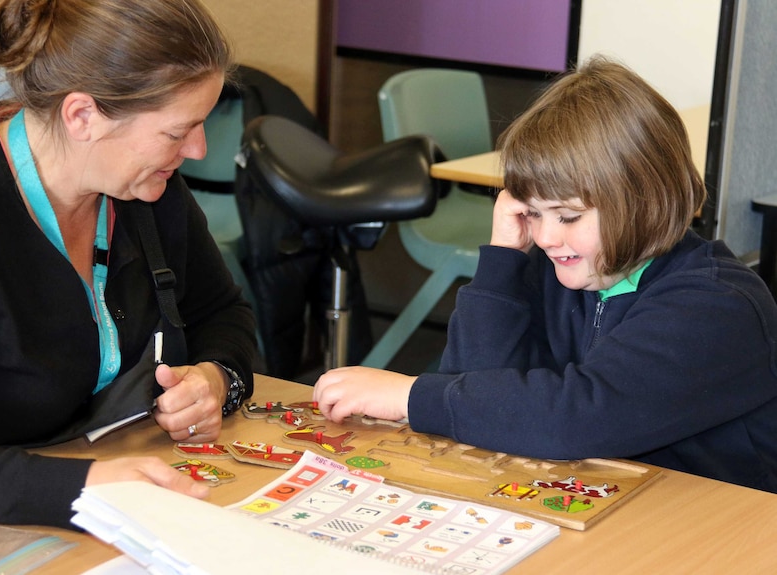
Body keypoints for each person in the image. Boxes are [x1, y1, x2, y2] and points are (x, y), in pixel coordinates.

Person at [314, 57, 777, 493]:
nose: (548, 237)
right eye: (532, 213)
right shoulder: (558, 265)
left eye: (568, 216)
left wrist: (410, 397)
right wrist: (503, 258)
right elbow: (475, 386)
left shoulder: (717, 304)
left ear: (644, 202)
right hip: (609, 501)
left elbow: (579, 417)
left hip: (719, 525)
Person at [0, 0, 258, 527]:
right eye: (177, 131)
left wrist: (216, 379)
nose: (197, 149)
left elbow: (222, 312)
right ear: (82, 116)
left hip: (100, 486)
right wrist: (83, 488)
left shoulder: (149, 189)